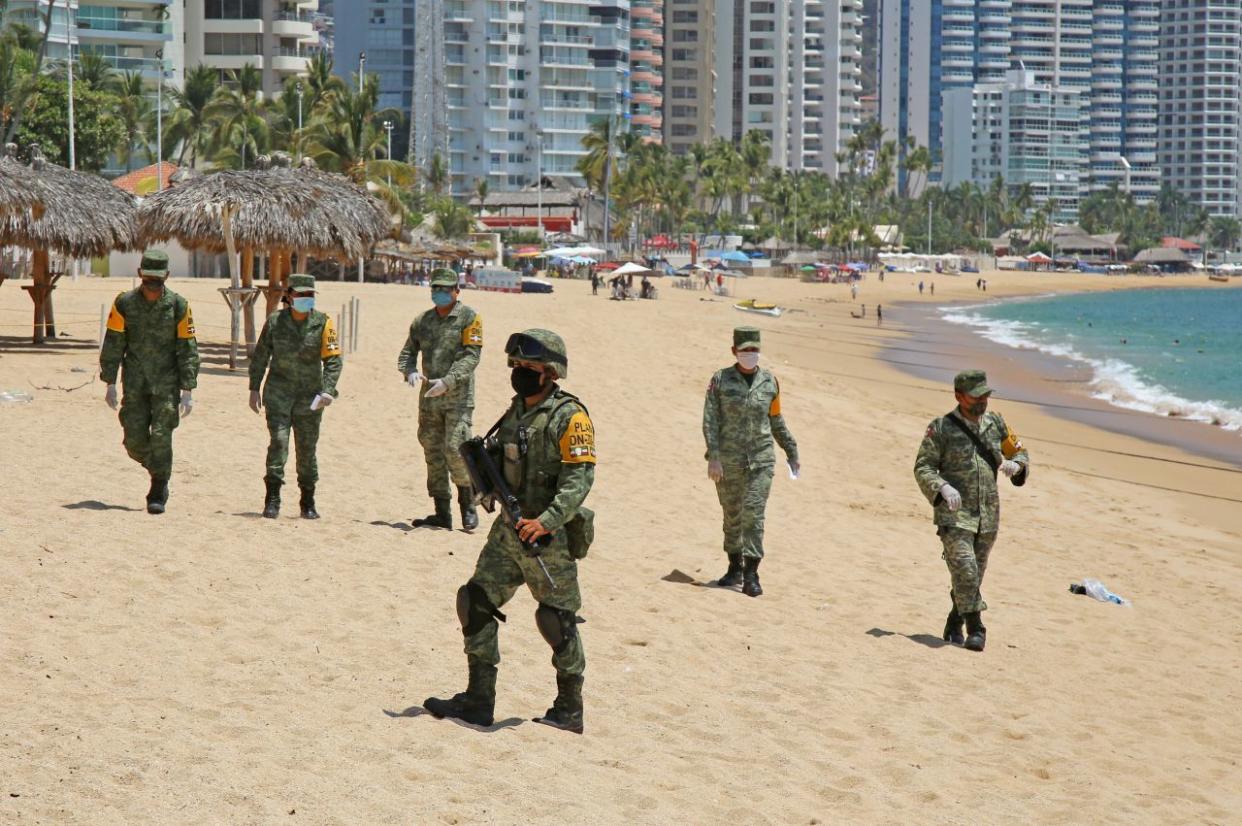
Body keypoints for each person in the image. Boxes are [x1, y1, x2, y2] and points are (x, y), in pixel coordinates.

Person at [424, 329, 596, 733]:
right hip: (507, 532)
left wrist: (546, 521)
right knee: (476, 601)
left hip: (545, 538)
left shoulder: (570, 416)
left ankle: (569, 708)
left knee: (557, 621)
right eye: (516, 366)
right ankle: (478, 700)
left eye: (528, 367)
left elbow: (579, 480)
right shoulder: (515, 410)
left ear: (550, 373)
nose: (519, 373)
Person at [913, 370, 1030, 652]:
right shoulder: (941, 428)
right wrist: (941, 487)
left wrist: (1018, 466)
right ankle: (976, 628)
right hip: (954, 514)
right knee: (964, 567)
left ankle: (954, 621)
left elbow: (1019, 452)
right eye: (976, 396)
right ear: (959, 396)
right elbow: (923, 466)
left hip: (988, 513)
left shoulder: (996, 423)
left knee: (973, 574)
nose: (983, 401)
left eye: (986, 395)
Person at [99, 250, 200, 514]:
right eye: (148, 277)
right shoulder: (124, 303)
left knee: (161, 436)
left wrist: (188, 389)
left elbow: (187, 348)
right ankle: (158, 468)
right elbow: (113, 343)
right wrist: (109, 381)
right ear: (140, 274)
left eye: (158, 278)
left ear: (167, 276)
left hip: (167, 384)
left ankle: (158, 488)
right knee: (133, 441)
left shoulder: (179, 305)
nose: (152, 284)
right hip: (134, 383)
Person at [702, 327, 799, 597]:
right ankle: (734, 567)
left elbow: (776, 420)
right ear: (734, 351)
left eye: (754, 350)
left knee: (753, 516)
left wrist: (791, 449)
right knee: (732, 517)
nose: (750, 355)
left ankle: (751, 574)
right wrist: (714, 457)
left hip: (761, 460)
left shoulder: (770, 382)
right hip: (728, 463)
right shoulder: (720, 380)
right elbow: (710, 420)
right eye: (745, 350)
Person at [249, 274, 342, 519]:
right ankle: (272, 499)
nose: (306, 299)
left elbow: (333, 360)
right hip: (278, 393)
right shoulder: (275, 321)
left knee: (307, 450)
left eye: (310, 295)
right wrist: (253, 388)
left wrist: (328, 391)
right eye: (301, 295)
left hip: (310, 398)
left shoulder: (323, 322)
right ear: (289, 296)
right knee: (278, 443)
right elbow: (260, 355)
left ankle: (307, 501)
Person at [398, 268, 484, 530]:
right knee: (432, 452)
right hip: (430, 399)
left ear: (457, 291)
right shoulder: (422, 321)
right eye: (436, 289)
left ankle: (467, 506)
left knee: (456, 449)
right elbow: (407, 353)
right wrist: (410, 371)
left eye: (446, 289)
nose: (441, 293)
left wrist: (449, 380)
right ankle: (441, 512)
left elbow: (472, 356)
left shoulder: (469, 318)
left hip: (457, 397)